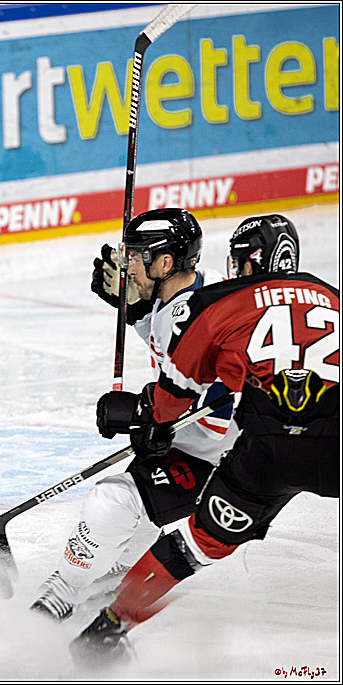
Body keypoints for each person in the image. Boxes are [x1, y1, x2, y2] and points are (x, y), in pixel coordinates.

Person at [72, 214, 339, 661]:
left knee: (194, 545)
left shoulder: (218, 303)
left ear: (245, 263)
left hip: (266, 452)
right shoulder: (331, 296)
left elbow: (171, 400)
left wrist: (140, 415)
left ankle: (104, 633)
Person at [30, 208, 238, 621]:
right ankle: (116, 571)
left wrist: (146, 413)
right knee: (137, 498)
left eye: (137, 257)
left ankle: (65, 588)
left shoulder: (194, 317)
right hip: (206, 442)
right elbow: (170, 349)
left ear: (165, 263)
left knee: (114, 499)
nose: (127, 267)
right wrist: (138, 310)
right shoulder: (193, 289)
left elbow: (216, 413)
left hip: (223, 454)